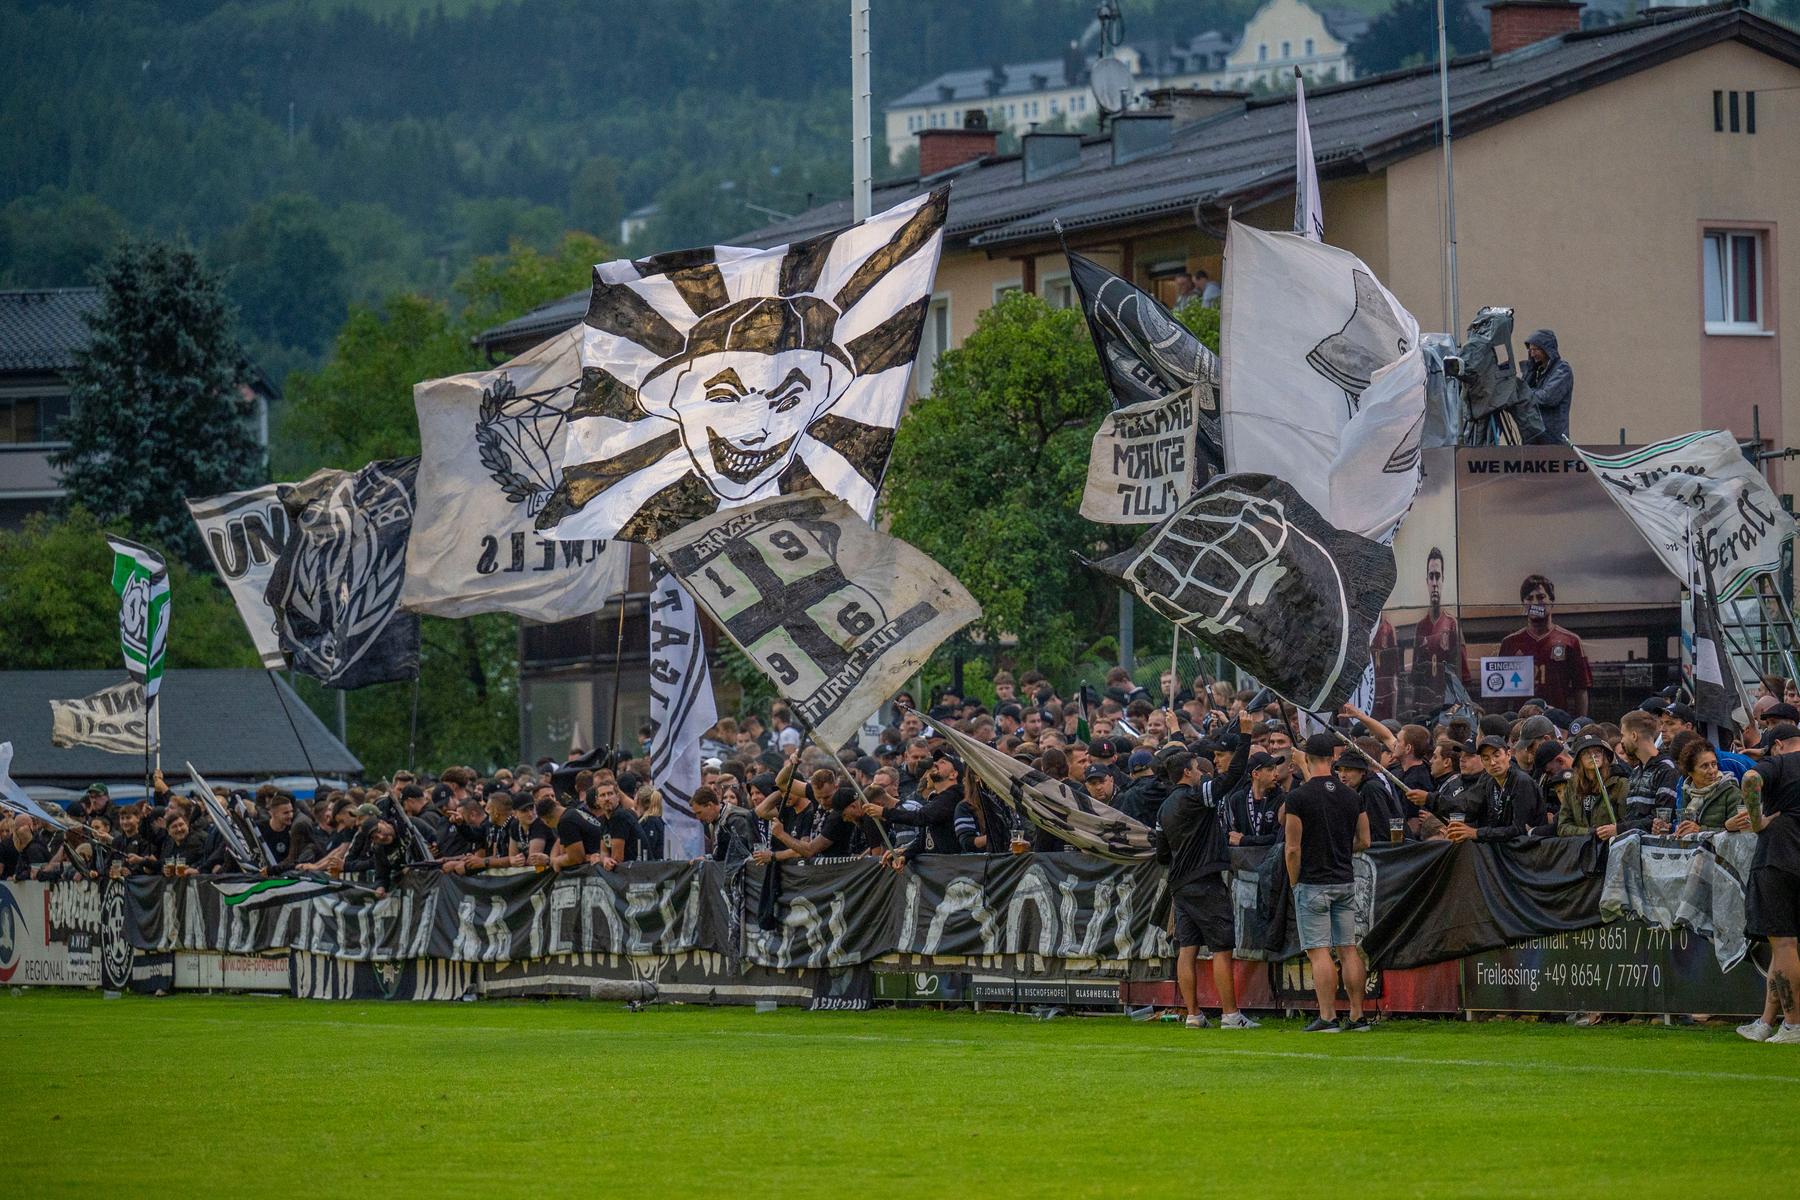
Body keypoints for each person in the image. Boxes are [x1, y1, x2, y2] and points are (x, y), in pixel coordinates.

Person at [1156, 743, 1257, 1030]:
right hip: (1205, 882)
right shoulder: (1194, 797)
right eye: (1198, 768)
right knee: (1221, 949)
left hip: (1180, 885)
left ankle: (1193, 1014)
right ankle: (1230, 1014)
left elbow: (1162, 853)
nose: (1202, 772)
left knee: (1187, 949)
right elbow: (1232, 776)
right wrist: (1245, 736)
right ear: (1187, 772)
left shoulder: (1164, 808)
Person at [1284, 733, 1372, 1032]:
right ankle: (1358, 1015)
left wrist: (1294, 880)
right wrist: (1340, 848)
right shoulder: (1351, 795)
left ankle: (1328, 1015)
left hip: (1313, 881)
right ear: (1332, 759)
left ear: (1305, 759)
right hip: (1344, 879)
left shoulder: (1298, 797)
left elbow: (1293, 847)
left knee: (1318, 950)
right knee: (1348, 948)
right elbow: (1365, 840)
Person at [1738, 723, 1800, 1043]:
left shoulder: (1778, 762)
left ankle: (1793, 1024)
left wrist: (1756, 820)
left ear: (1777, 745)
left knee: (1783, 942)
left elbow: (1749, 779)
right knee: (1784, 946)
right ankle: (1767, 1021)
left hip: (1778, 859)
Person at [1497, 574, 1591, 717]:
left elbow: (1581, 689)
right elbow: (1501, 694)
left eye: (1541, 597)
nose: (1535, 603)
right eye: (1529, 598)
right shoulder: (1510, 643)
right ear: (1523, 604)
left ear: (1551, 601)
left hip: (1558, 723)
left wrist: (1579, 726)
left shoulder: (1571, 641)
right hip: (1521, 725)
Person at [1409, 547, 1473, 713]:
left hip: (1449, 705)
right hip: (1425, 707)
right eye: (1431, 577)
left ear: (1443, 580)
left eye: (1438, 576)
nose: (1435, 583)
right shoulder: (1420, 627)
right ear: (1427, 581)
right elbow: (1415, 676)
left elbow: (1464, 674)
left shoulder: (1451, 624)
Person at [1675, 740, 1756, 835]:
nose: (1712, 770)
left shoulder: (1731, 793)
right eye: (1705, 766)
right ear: (1690, 772)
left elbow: (1738, 834)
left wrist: (1701, 830)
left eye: (1714, 764)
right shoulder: (1687, 792)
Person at [1618, 710, 1680, 834]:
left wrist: (1619, 829)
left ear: (1634, 736)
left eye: (1623, 735)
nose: (1622, 741)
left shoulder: (1666, 769)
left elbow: (1662, 817)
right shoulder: (1635, 772)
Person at [1558, 735, 1624, 837]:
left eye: (1597, 751)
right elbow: (1563, 827)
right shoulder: (1572, 786)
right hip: (1582, 848)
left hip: (1611, 846)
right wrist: (1590, 832)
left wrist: (1616, 830)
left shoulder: (1619, 783)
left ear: (1604, 756)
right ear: (1579, 760)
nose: (1592, 756)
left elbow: (1628, 823)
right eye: (1586, 753)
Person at [1519, 329, 1573, 445]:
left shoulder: (1562, 369)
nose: (1532, 354)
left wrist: (1524, 393)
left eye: (1536, 350)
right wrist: (1530, 370)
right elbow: (1521, 392)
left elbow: (1547, 398)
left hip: (1553, 439)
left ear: (1547, 349)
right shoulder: (1537, 371)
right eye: (1530, 350)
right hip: (1534, 439)